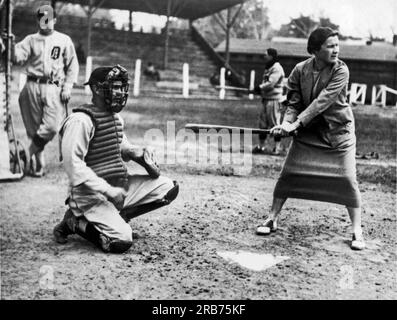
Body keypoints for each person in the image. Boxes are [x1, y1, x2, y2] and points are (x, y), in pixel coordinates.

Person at [256, 27, 366, 251]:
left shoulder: (341, 70)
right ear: (315, 50)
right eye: (330, 46)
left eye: (337, 45)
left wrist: (295, 125)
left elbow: (322, 102)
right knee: (289, 173)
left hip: (338, 133)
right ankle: (272, 218)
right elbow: (294, 101)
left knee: (346, 178)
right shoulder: (300, 69)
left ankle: (356, 230)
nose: (336, 50)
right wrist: (287, 123)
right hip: (308, 133)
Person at [52, 64, 179, 253]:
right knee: (121, 241)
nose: (120, 92)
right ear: (96, 89)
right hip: (89, 195)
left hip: (117, 187)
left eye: (121, 87)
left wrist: (139, 154)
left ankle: (116, 218)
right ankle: (75, 222)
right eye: (115, 87)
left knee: (167, 189)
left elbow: (122, 147)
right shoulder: (81, 121)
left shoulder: (115, 119)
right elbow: (73, 166)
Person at [11, 5, 79, 176]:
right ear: (38, 20)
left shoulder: (64, 40)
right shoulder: (30, 39)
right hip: (32, 85)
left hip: (54, 86)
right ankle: (38, 164)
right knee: (33, 129)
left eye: (48, 19)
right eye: (42, 19)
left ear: (54, 20)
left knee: (51, 127)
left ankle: (25, 154)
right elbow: (17, 58)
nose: (45, 22)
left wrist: (68, 86)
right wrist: (11, 45)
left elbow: (72, 66)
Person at [252, 48, 285, 155]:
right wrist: (259, 90)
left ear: (271, 56)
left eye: (265, 55)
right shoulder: (269, 67)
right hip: (266, 100)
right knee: (262, 124)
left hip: (274, 101)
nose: (264, 57)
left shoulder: (277, 68)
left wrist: (259, 87)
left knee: (275, 124)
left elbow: (271, 84)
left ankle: (277, 148)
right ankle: (261, 146)